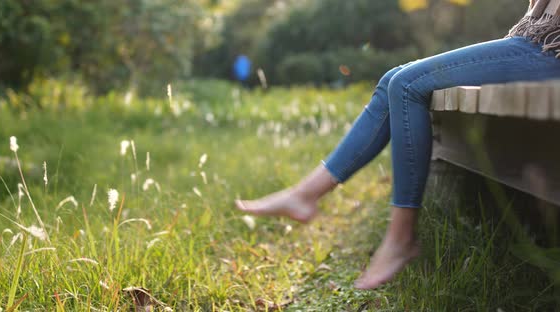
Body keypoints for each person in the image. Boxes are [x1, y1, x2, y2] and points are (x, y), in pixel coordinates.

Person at [235, 0, 560, 290]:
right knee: (393, 79)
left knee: (407, 85)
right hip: (536, 37)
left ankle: (400, 239)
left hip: (549, 47)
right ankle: (305, 195)